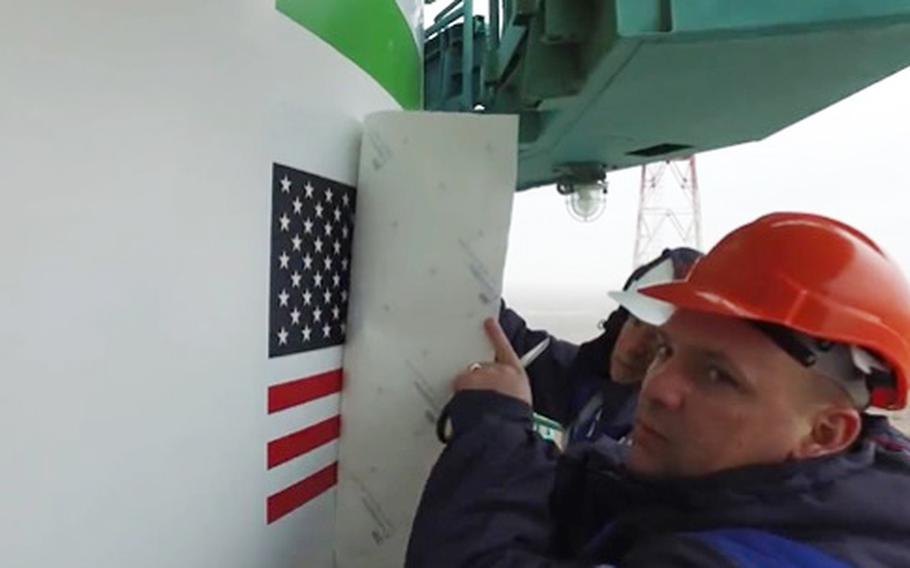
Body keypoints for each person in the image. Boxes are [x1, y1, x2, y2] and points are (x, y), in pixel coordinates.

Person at [407, 212, 910, 567]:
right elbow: (609, 482)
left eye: (719, 376)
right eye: (666, 351)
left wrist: (496, 432)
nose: (658, 388)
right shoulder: (834, 484)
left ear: (825, 432)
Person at [500, 248, 702, 444]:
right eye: (634, 321)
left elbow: (579, 477)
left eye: (659, 341)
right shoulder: (592, 381)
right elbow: (518, 343)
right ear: (619, 321)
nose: (634, 347)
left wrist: (503, 418)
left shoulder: (658, 436)